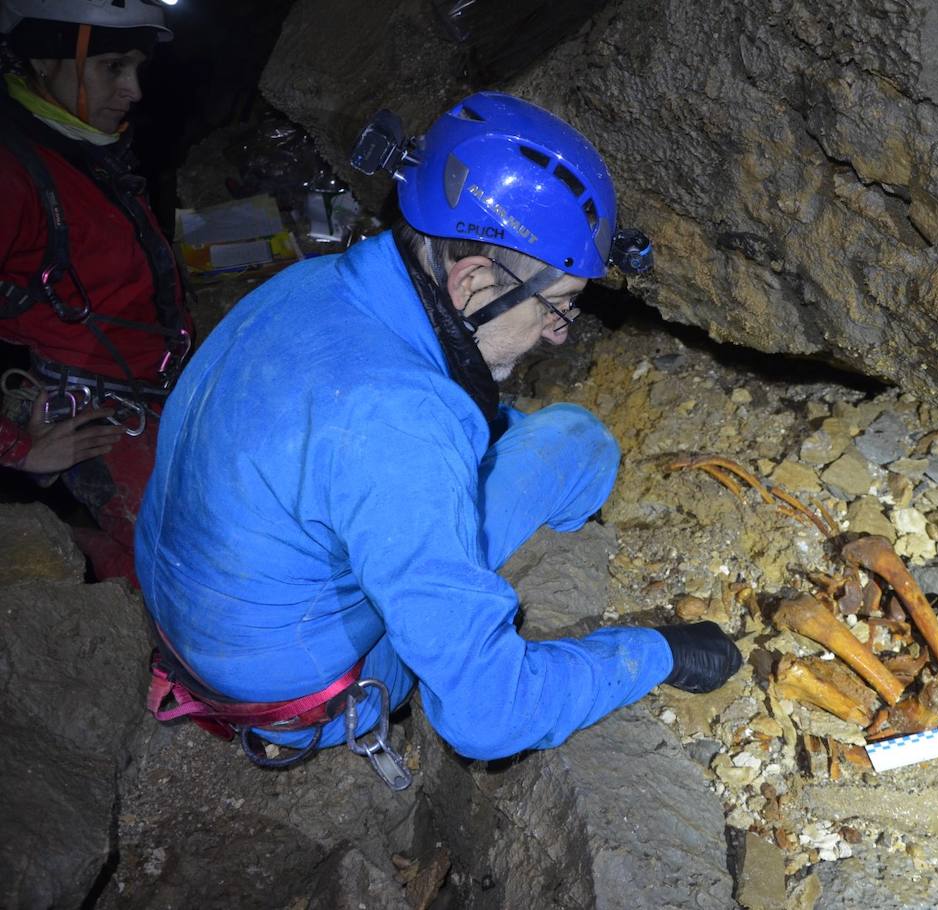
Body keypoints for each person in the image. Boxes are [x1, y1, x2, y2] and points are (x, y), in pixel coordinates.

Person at [137, 92, 741, 787]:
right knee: (578, 441)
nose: (557, 332)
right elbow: (489, 717)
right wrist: (656, 654)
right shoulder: (404, 426)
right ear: (476, 280)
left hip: (203, 622)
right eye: (559, 305)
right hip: (306, 687)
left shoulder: (311, 282)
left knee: (533, 440)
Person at [0, 0, 192, 584]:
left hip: (154, 385)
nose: (133, 90)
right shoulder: (13, 172)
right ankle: (76, 553)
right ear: (43, 62)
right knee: (184, 570)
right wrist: (19, 449)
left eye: (137, 67)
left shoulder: (78, 143)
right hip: (98, 414)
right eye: (112, 67)